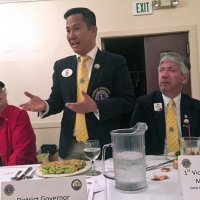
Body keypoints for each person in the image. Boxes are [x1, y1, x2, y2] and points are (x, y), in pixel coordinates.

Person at [20, 7, 135, 159]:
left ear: (93, 30)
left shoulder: (115, 62)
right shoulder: (61, 66)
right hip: (70, 146)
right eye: (68, 30)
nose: (71, 36)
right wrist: (46, 105)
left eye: (76, 29)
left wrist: (96, 106)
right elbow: (58, 100)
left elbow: (128, 101)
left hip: (103, 145)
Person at [130, 52, 200, 155]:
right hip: (155, 165)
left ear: (184, 78)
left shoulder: (196, 107)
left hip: (187, 163)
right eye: (161, 70)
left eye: (171, 70)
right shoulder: (144, 105)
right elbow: (134, 142)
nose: (164, 75)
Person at [0, 81, 37, 166]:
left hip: (15, 172)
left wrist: (7, 175)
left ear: (5, 93)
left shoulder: (18, 114)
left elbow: (21, 152)